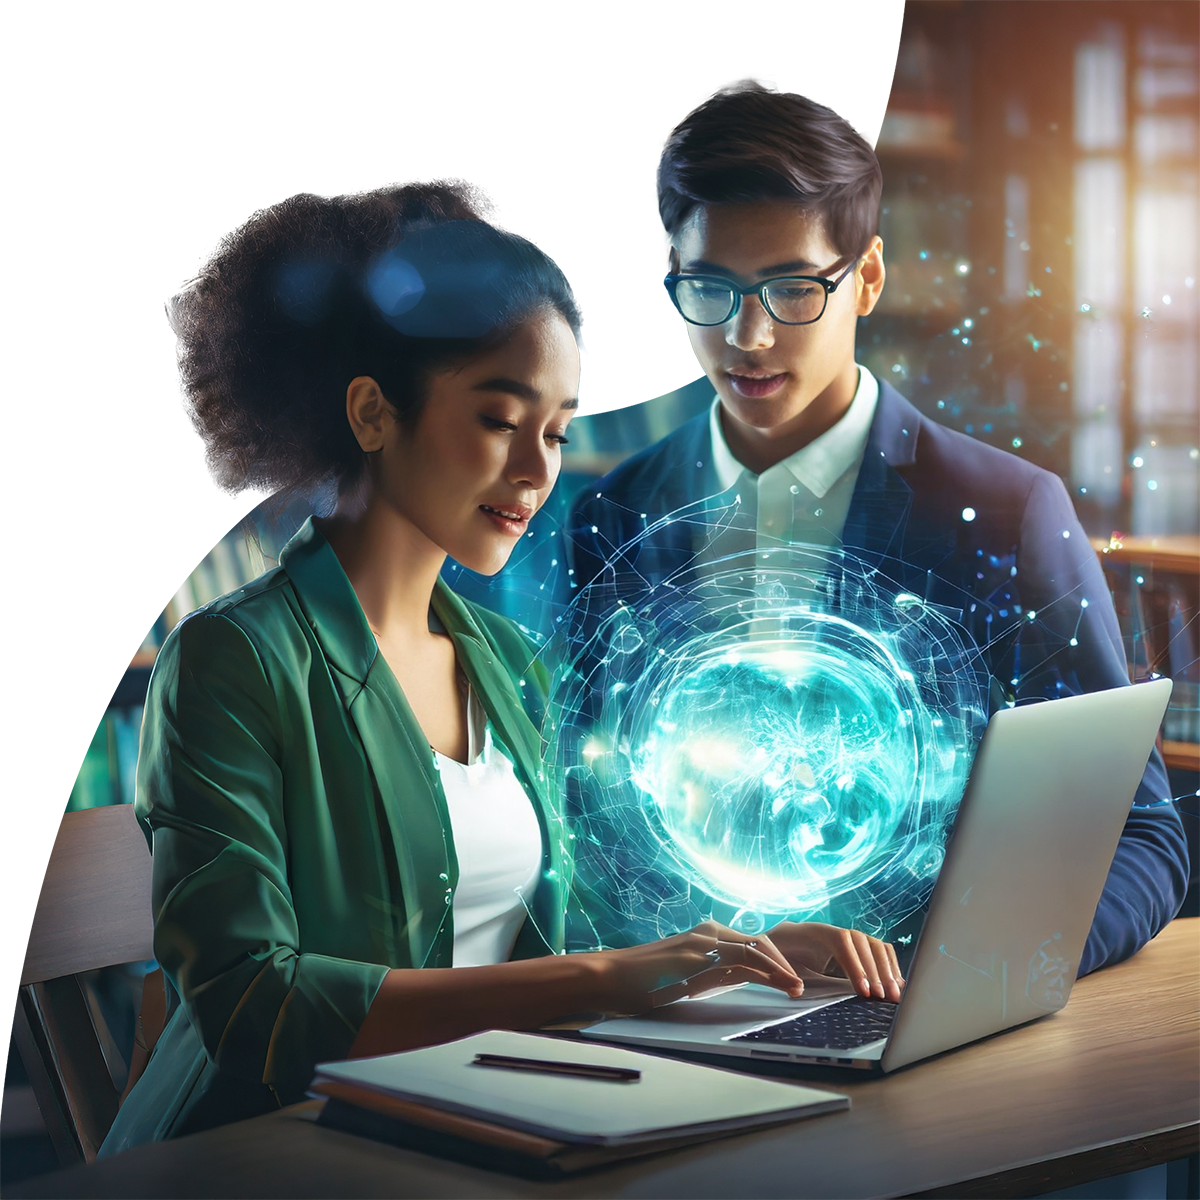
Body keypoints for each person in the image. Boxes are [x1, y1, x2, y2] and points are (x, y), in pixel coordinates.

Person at [99, 181, 903, 1154]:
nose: (536, 469)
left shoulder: (506, 664)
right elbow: (250, 1003)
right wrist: (609, 983)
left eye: (557, 432)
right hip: (262, 1154)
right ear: (369, 412)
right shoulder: (234, 662)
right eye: (498, 418)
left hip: (461, 1131)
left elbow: (540, 941)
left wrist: (743, 952)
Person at [565, 80, 1189, 975]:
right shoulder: (615, 515)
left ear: (867, 279)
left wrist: (965, 976)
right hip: (668, 1019)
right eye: (710, 287)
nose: (747, 336)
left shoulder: (1007, 513)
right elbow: (586, 818)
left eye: (790, 289)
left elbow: (1140, 835)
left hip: (915, 1028)